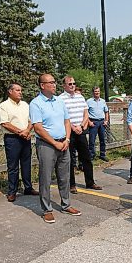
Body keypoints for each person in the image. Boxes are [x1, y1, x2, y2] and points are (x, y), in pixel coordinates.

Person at [29, 74, 81, 223]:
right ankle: (47, 209)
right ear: (42, 85)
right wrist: (54, 143)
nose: (54, 85)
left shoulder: (59, 101)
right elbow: (38, 128)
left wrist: (67, 139)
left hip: (63, 143)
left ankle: (66, 205)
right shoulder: (36, 103)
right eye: (50, 82)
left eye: (54, 82)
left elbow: (67, 120)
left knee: (64, 176)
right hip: (46, 145)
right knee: (45, 177)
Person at [59, 76, 103, 194]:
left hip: (81, 131)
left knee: (86, 157)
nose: (72, 85)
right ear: (64, 86)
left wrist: (82, 126)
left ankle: (90, 182)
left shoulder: (80, 97)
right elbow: (62, 117)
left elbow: (86, 113)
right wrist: (73, 127)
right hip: (69, 132)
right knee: (70, 160)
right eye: (70, 84)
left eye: (74, 83)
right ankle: (72, 184)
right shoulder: (60, 99)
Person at [0, 83, 39, 203]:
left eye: (21, 90)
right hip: (12, 139)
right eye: (17, 90)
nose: (20, 92)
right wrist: (20, 132)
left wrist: (27, 131)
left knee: (26, 163)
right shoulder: (4, 106)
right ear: (10, 91)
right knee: (13, 166)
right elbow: (5, 123)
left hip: (25, 137)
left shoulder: (25, 105)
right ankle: (12, 191)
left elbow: (31, 120)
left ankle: (28, 187)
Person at [87, 86, 110, 162]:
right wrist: (89, 122)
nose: (97, 93)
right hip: (93, 122)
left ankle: (102, 154)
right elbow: (85, 113)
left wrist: (106, 120)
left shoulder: (103, 101)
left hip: (102, 122)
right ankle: (91, 155)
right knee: (92, 140)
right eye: (95, 91)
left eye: (98, 91)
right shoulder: (89, 101)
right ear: (93, 92)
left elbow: (106, 111)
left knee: (103, 139)